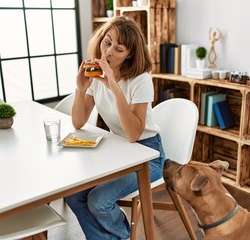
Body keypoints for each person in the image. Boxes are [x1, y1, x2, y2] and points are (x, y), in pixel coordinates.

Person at [64, 16, 165, 240]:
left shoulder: (140, 79)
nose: (108, 52)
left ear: (129, 54)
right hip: (120, 152)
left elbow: (133, 134)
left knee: (99, 201)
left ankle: (120, 235)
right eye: (107, 42)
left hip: (148, 155)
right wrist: (81, 89)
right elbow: (78, 122)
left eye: (118, 49)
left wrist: (113, 86)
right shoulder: (95, 74)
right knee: (73, 195)